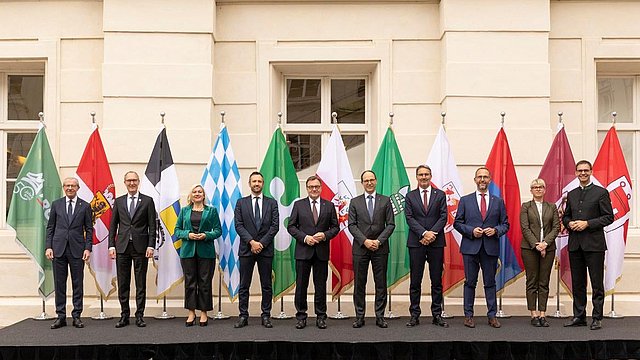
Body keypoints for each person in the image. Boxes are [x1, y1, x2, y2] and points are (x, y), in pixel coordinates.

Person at [454, 167, 509, 329]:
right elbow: (457, 223)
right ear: (475, 180)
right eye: (479, 177)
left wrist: (496, 230)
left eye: (485, 177)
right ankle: (468, 315)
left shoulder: (498, 201)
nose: (482, 180)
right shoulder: (465, 200)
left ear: (490, 180)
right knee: (470, 282)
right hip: (470, 248)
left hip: (490, 248)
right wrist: (471, 231)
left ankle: (492, 315)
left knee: (490, 283)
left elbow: (505, 224)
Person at [562, 160, 613, 330]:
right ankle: (579, 316)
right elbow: (566, 216)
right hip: (575, 244)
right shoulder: (572, 194)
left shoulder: (601, 193)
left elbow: (608, 217)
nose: (582, 173)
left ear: (591, 172)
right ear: (576, 173)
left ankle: (597, 317)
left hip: (594, 245)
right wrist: (570, 223)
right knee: (578, 283)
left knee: (597, 283)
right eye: (579, 171)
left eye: (586, 170)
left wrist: (587, 223)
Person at [287, 176, 339, 329]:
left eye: (316, 186)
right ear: (307, 188)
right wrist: (304, 238)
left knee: (320, 286)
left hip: (321, 252)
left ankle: (321, 316)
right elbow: (291, 227)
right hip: (303, 252)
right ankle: (301, 316)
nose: (314, 189)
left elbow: (335, 228)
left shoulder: (329, 206)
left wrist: (325, 235)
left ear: (321, 188)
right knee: (301, 286)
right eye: (311, 187)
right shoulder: (298, 205)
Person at [109, 171, 156, 328]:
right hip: (122, 247)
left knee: (140, 283)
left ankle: (140, 315)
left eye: (134, 180)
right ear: (125, 182)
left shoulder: (148, 201)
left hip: (141, 248)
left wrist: (151, 245)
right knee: (123, 283)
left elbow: (152, 226)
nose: (132, 183)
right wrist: (111, 245)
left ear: (138, 182)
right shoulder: (119, 201)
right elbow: (113, 226)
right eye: (129, 180)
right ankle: (124, 315)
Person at [348, 170, 395, 329]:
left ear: (376, 181)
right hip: (361, 248)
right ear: (362, 183)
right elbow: (352, 225)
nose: (369, 183)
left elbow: (391, 224)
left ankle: (380, 316)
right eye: (366, 180)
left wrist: (379, 241)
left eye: (371, 180)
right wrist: (365, 241)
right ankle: (359, 316)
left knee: (380, 284)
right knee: (359, 284)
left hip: (380, 249)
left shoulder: (386, 201)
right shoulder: (355, 202)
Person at [404, 165, 448, 328]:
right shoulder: (410, 196)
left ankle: (437, 314)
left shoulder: (440, 195)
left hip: (436, 243)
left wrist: (431, 234)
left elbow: (444, 217)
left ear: (431, 176)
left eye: (426, 174)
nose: (424, 177)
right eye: (421, 174)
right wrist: (423, 234)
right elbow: (409, 218)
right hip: (416, 243)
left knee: (436, 281)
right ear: (416, 177)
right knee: (415, 281)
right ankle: (414, 315)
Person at [45, 177, 93, 329]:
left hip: (77, 250)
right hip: (58, 249)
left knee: (77, 283)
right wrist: (48, 246)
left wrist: (88, 248)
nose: (70, 188)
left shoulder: (85, 206)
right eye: (67, 185)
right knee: (59, 284)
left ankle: (77, 315)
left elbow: (89, 229)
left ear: (78, 188)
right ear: (64, 188)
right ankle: (61, 316)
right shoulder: (56, 204)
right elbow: (50, 227)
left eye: (73, 185)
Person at [233, 171, 279, 328]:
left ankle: (266, 315)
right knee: (244, 285)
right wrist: (252, 242)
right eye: (254, 181)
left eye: (259, 181)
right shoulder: (241, 203)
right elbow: (238, 225)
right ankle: (243, 315)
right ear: (249, 184)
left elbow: (274, 226)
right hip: (246, 250)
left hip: (265, 250)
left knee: (266, 285)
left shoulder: (272, 203)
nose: (257, 184)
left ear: (263, 184)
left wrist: (261, 244)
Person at [174, 184, 222, 327]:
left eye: (200, 191)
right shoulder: (184, 211)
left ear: (204, 195)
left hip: (206, 252)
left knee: (205, 283)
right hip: (188, 252)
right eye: (194, 191)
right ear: (191, 195)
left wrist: (206, 235)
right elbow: (177, 230)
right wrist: (187, 234)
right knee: (190, 283)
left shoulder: (211, 211)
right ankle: (191, 312)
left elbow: (218, 230)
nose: (197, 193)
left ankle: (204, 312)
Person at [520, 178, 560, 327]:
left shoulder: (552, 206)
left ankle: (543, 314)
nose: (538, 189)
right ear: (531, 190)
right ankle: (533, 314)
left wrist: (545, 244)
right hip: (529, 249)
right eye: (535, 187)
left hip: (548, 248)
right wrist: (537, 245)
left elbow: (556, 227)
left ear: (545, 189)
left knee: (544, 281)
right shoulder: (526, 207)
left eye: (541, 187)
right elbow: (525, 228)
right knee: (532, 281)